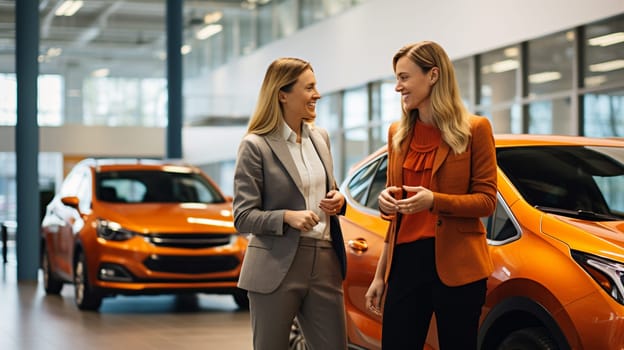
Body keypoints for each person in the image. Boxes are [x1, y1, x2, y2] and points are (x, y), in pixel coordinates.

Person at [364, 41, 498, 349]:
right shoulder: (397, 133)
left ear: (433, 75)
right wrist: (380, 276)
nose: (398, 87)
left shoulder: (475, 129)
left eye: (404, 77)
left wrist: (434, 201)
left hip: (459, 265)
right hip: (405, 265)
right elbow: (394, 221)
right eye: (396, 78)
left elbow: (487, 201)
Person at [233, 57, 348, 350]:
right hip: (275, 264)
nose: (317, 94)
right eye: (309, 87)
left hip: (324, 259)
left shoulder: (320, 138)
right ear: (283, 93)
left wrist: (339, 199)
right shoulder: (255, 145)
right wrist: (286, 216)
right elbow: (243, 216)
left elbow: (328, 189)